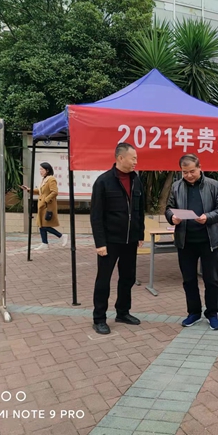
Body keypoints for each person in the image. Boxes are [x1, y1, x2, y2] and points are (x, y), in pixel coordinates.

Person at [166, 154, 218, 330]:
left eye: (192, 171)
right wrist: (172, 217)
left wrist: (208, 217)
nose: (189, 175)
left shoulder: (213, 185)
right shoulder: (176, 187)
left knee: (211, 279)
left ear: (200, 168)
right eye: (185, 172)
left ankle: (212, 313)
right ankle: (193, 312)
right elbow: (168, 208)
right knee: (189, 279)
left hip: (208, 240)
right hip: (185, 241)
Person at [90, 143, 145, 335]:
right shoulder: (103, 181)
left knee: (128, 278)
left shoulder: (136, 180)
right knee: (103, 280)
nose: (136, 161)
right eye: (133, 158)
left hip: (130, 240)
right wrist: (100, 243)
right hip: (110, 241)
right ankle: (99, 319)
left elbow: (140, 210)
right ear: (120, 158)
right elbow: (96, 215)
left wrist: (140, 234)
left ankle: (123, 312)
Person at [21, 162, 68, 250]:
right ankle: (44, 243)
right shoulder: (44, 179)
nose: (40, 171)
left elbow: (54, 192)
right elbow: (40, 191)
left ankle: (61, 236)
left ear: (47, 170)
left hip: (47, 206)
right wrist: (29, 189)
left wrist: (46, 200)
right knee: (41, 224)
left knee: (45, 225)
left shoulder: (51, 179)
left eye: (42, 169)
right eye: (40, 169)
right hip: (42, 206)